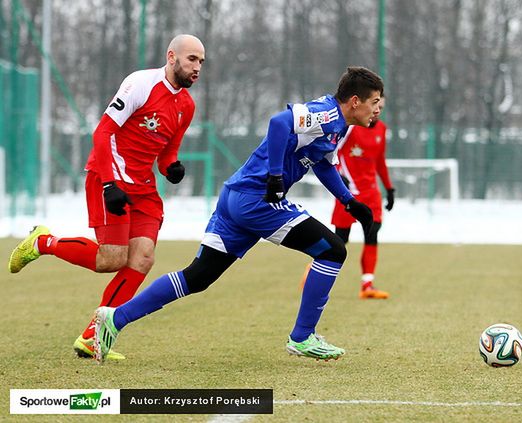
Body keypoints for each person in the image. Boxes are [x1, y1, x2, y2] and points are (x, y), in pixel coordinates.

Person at [92, 66, 384, 363]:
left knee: (198, 277)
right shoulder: (329, 114)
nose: (377, 111)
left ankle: (114, 319)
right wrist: (274, 176)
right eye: (374, 103)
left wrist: (349, 202)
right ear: (355, 101)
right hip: (257, 200)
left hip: (236, 196)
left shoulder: (339, 126)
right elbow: (278, 123)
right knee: (332, 251)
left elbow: (321, 162)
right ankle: (302, 336)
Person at [8, 34, 206, 359]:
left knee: (142, 258)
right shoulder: (141, 84)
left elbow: (167, 153)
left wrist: (172, 168)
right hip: (109, 178)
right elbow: (103, 131)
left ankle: (94, 336)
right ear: (172, 57)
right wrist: (109, 185)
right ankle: (42, 242)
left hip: (144, 188)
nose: (197, 67)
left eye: (201, 61)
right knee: (110, 260)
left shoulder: (187, 105)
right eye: (191, 59)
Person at [330, 95, 394, 299]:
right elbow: (332, 152)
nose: (377, 110)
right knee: (341, 239)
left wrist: (389, 188)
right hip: (348, 193)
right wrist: (339, 175)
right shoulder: (349, 127)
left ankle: (367, 285)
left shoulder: (382, 129)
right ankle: (314, 268)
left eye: (381, 107)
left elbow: (380, 161)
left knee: (372, 232)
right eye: (375, 105)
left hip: (371, 192)